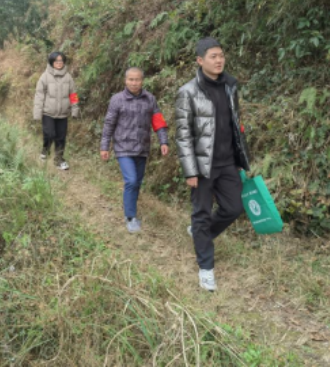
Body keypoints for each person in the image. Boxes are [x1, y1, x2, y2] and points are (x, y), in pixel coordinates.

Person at [175, 37, 252, 291]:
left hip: (228, 162)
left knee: (234, 208)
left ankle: (201, 234)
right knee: (202, 213)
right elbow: (183, 134)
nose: (219, 60)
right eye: (213, 57)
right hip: (202, 166)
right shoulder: (188, 92)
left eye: (221, 55)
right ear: (200, 61)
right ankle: (206, 268)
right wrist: (190, 171)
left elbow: (235, 123)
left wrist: (240, 157)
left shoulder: (230, 85)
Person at [100, 67, 169, 233]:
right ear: (125, 81)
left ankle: (129, 205)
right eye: (131, 79)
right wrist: (104, 146)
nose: (134, 83)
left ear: (142, 81)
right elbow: (109, 124)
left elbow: (158, 121)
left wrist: (163, 141)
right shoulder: (117, 99)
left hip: (142, 148)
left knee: (137, 182)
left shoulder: (150, 99)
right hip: (123, 147)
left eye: (137, 79)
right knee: (131, 180)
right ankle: (130, 217)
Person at [33, 51, 80, 170]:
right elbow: (39, 95)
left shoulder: (68, 77)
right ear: (51, 62)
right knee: (49, 134)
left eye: (61, 61)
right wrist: (37, 112)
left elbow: (73, 94)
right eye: (56, 61)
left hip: (63, 114)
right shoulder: (45, 76)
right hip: (48, 112)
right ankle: (45, 149)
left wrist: (75, 109)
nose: (59, 63)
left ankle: (59, 160)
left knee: (61, 137)